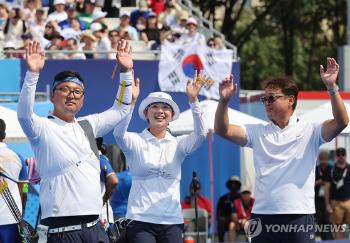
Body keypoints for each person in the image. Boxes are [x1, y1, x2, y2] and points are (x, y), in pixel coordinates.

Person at [214, 57, 349, 243]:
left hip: (299, 215)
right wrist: (224, 101)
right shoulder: (257, 131)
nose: (267, 103)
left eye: (272, 98)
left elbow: (342, 122)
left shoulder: (311, 130)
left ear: (290, 100)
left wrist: (332, 88)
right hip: (262, 215)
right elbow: (222, 130)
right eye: (264, 99)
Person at [17, 39, 135, 243]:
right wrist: (32, 74)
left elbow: (121, 110)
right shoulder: (41, 128)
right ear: (53, 95)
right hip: (60, 233)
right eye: (64, 89)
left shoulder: (89, 125)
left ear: (83, 99)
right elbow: (24, 115)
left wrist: (126, 72)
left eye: (77, 91)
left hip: (95, 230)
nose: (71, 95)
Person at [113, 72, 208, 243]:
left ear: (171, 116)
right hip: (140, 219)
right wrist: (131, 102)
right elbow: (118, 134)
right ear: (146, 113)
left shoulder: (179, 144)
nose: (160, 111)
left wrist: (193, 100)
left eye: (165, 108)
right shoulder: (135, 140)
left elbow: (201, 134)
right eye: (155, 107)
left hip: (172, 221)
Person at [0, 119, 28, 243]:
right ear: (4, 136)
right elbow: (25, 187)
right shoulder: (17, 157)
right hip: (10, 218)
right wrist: (22, 209)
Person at [324, 147, 350, 240]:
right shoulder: (330, 169)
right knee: (337, 226)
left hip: (348, 201)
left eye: (342, 155)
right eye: (338, 155)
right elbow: (326, 188)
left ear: (345, 156)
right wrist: (327, 205)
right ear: (336, 157)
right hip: (335, 203)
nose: (340, 157)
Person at [216, 175, 241, 242]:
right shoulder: (223, 199)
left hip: (240, 221)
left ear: (238, 185)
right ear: (229, 185)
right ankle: (221, 241)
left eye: (235, 183)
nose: (233, 185)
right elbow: (218, 214)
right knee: (220, 223)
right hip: (226, 221)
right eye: (231, 183)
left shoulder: (242, 197)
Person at [314, 151, 333, 240]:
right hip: (317, 200)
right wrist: (319, 182)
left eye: (325, 163)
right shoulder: (316, 169)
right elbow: (310, 184)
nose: (324, 165)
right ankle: (321, 238)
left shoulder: (331, 169)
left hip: (329, 200)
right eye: (322, 163)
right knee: (319, 220)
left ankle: (328, 239)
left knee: (327, 221)